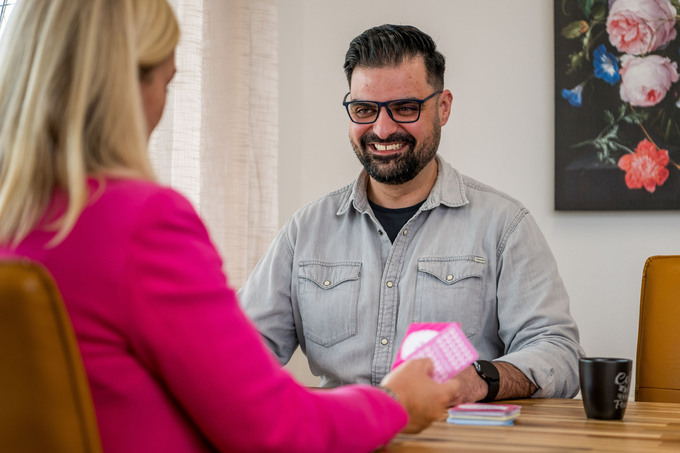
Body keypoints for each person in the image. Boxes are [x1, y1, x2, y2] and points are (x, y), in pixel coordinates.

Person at [0, 4, 458, 452]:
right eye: (167, 83)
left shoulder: (17, 222)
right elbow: (273, 427)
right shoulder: (144, 223)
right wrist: (395, 402)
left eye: (402, 107)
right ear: (126, 87)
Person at [239, 24, 586, 404]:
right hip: (344, 437)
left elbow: (559, 355)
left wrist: (479, 378)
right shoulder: (305, 231)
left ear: (443, 107)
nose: (383, 129)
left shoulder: (505, 225)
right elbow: (240, 349)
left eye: (405, 108)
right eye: (365, 110)